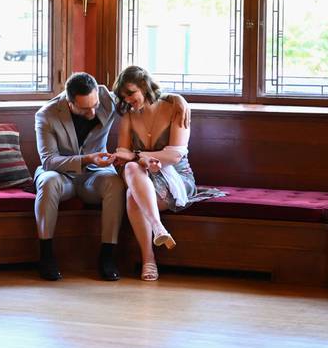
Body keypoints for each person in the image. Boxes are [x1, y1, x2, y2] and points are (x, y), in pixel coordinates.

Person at [32, 71, 191, 282]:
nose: (92, 111)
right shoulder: (46, 115)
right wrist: (88, 158)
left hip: (96, 175)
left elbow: (138, 88)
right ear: (70, 102)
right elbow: (49, 161)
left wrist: (178, 99)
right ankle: (46, 255)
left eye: (95, 105)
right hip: (61, 174)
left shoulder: (107, 98)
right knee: (48, 181)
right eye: (85, 108)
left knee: (116, 184)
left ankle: (107, 256)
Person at [111, 65, 212, 281]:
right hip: (142, 175)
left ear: (144, 87)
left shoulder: (175, 108)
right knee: (130, 168)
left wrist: (137, 155)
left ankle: (149, 259)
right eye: (123, 96)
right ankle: (157, 230)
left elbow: (175, 156)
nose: (127, 99)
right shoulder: (128, 116)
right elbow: (122, 153)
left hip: (176, 174)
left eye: (131, 93)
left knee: (132, 195)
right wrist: (137, 159)